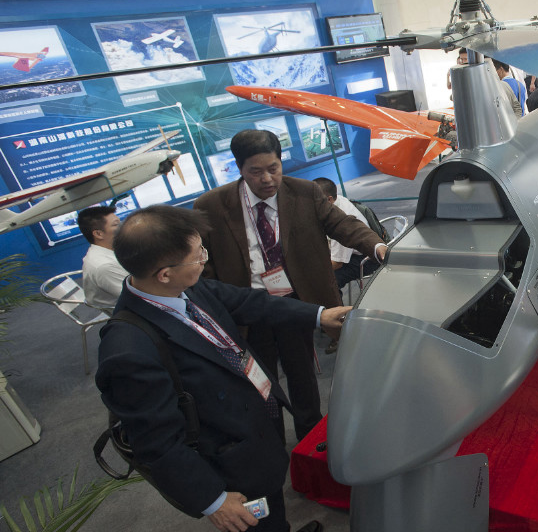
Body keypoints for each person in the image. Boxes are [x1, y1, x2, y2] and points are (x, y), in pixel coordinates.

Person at [96, 204, 344, 532]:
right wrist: (213, 500)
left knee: (272, 505)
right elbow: (157, 444)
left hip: (254, 424)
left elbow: (248, 303)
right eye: (198, 254)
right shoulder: (128, 351)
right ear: (164, 273)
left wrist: (318, 315)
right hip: (227, 459)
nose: (204, 258)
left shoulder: (184, 286)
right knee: (256, 521)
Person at [193, 129, 386, 441]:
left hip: (295, 301)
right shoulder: (212, 205)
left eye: (274, 168)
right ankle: (270, 439)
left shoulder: (305, 193)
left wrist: (377, 247)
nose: (267, 178)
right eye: (256, 172)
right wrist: (218, 299)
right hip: (247, 305)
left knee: (303, 375)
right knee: (259, 379)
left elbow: (343, 225)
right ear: (240, 169)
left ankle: (310, 436)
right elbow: (202, 260)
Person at [312, 178, 379, 290]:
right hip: (355, 252)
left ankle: (337, 306)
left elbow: (337, 263)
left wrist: (312, 273)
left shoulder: (341, 218)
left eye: (314, 201)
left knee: (327, 282)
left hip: (365, 259)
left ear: (329, 200)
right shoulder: (336, 201)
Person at [78, 205, 127, 309]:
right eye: (116, 225)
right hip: (132, 313)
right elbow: (142, 298)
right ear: (99, 234)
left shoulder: (111, 251)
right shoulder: (104, 266)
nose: (123, 227)